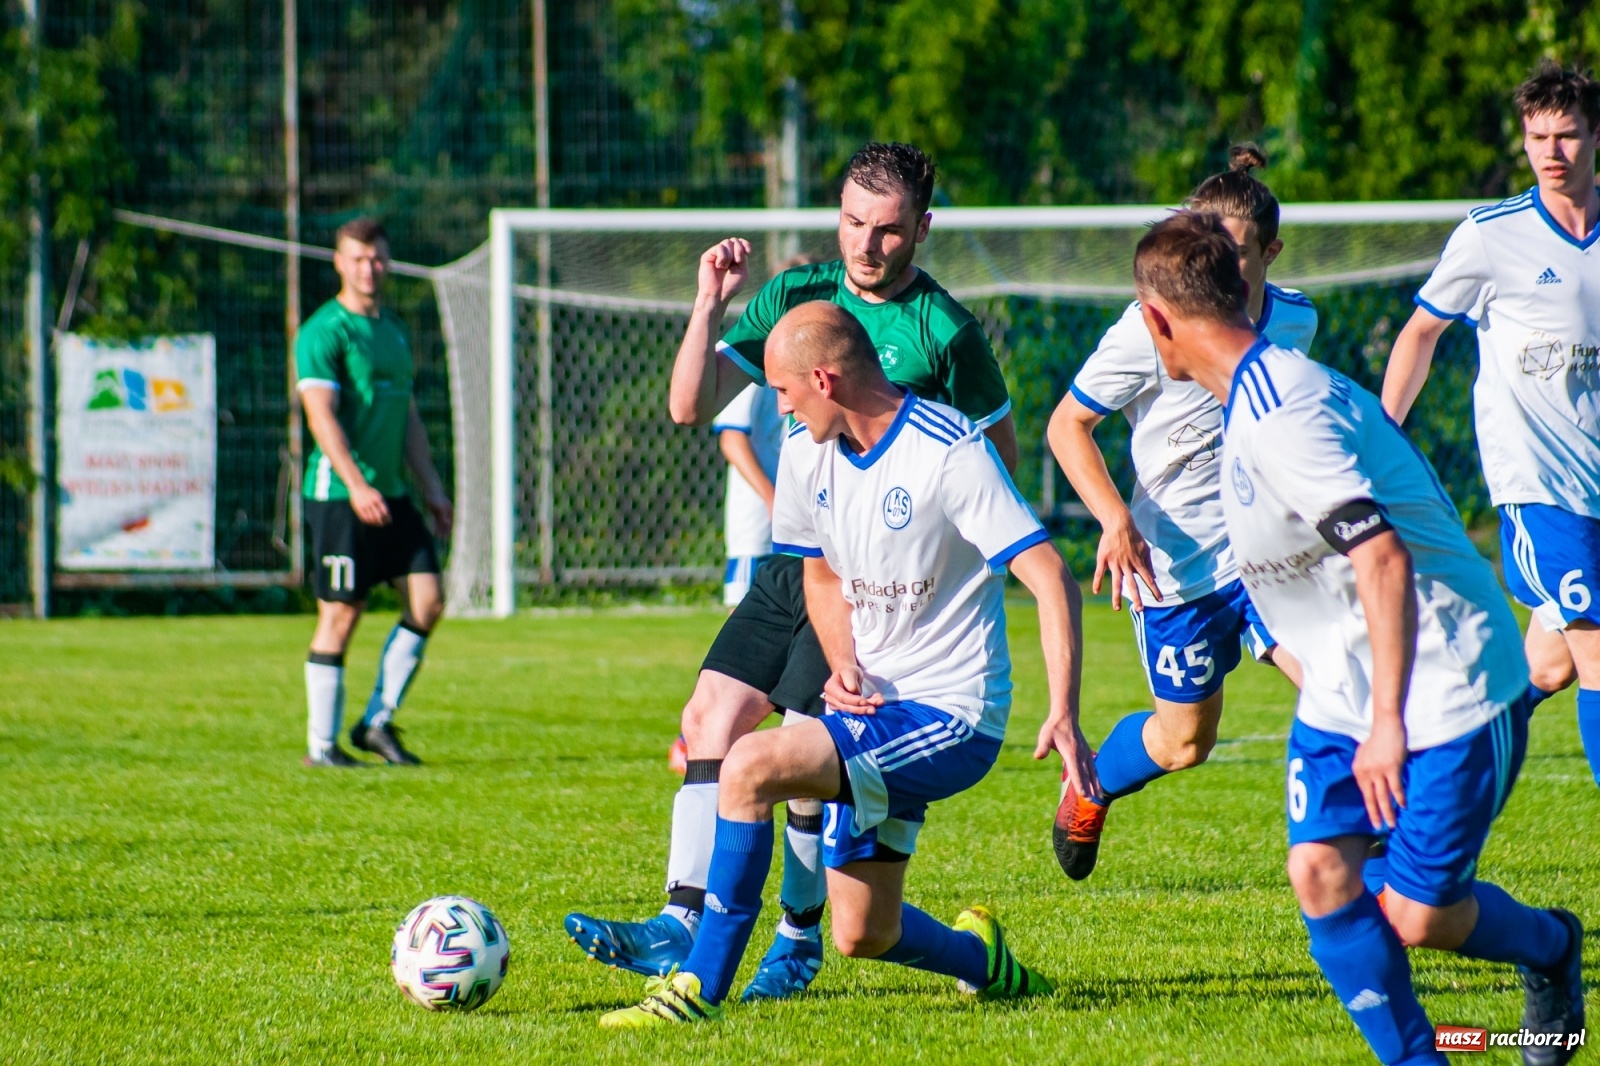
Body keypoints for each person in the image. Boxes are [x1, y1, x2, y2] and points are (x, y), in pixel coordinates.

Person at [564, 142, 1018, 1002]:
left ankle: (797, 938)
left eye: (888, 229)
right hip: (798, 557)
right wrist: (709, 303)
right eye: (852, 222)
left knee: (806, 742)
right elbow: (688, 405)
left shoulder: (946, 332)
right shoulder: (794, 297)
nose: (866, 245)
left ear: (922, 228)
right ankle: (680, 922)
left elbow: (998, 461)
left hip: (871, 581)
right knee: (711, 716)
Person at [1140, 210, 1584, 1066]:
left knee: (1420, 917)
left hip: (1448, 682)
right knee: (1320, 873)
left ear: (1159, 321)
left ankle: (1551, 946)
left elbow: (1381, 556)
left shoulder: (1284, 410)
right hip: (1346, 685)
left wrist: (1386, 725)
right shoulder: (1249, 401)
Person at [600, 302, 1093, 1026]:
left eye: (782, 390)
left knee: (748, 766)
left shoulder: (949, 450)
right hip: (874, 707)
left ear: (824, 381)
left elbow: (1050, 575)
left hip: (951, 713)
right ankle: (985, 961)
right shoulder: (806, 450)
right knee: (865, 931)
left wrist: (1064, 711)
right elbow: (822, 573)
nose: (778, 406)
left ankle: (697, 989)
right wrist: (842, 662)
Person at [1046, 145, 1313, 880]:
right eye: (1208, 248)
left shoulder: (1296, 321)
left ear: (1270, 254)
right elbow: (1066, 426)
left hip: (1268, 553)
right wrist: (1114, 519)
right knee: (1185, 742)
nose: (1218, 268)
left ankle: (1363, 840)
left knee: (1334, 682)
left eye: (1236, 254)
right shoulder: (1148, 329)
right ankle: (1091, 783)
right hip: (1177, 568)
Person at [1382, 61, 1600, 790]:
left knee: (1548, 667)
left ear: (1595, 135)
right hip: (1540, 487)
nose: (1551, 152)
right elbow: (1420, 333)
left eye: (1567, 135)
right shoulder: (1490, 236)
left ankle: (1425, 773)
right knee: (1598, 655)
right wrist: (1383, 435)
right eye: (1538, 137)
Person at [296, 217, 452, 768]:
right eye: (359, 258)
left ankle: (375, 724)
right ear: (339, 262)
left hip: (392, 494)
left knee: (428, 602)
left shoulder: (393, 331)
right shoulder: (323, 331)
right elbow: (320, 417)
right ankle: (321, 748)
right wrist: (357, 485)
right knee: (342, 613)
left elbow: (407, 416)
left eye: (378, 258)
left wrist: (432, 488)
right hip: (340, 495)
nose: (370, 268)